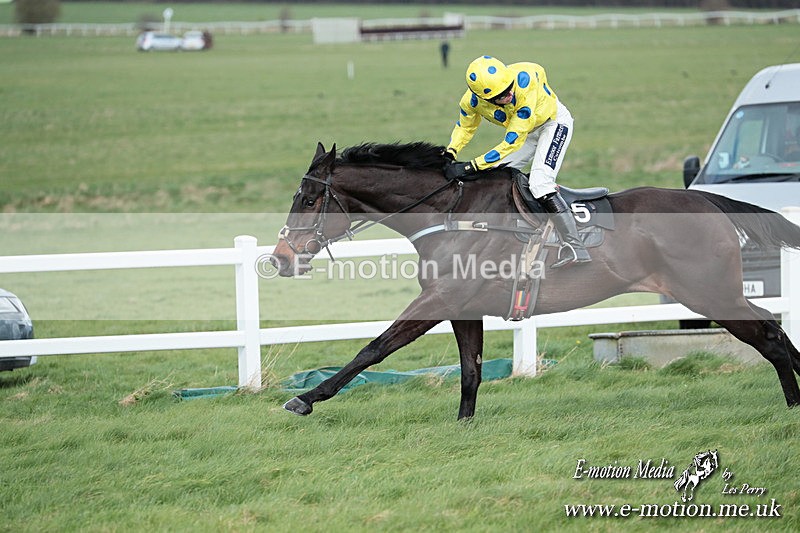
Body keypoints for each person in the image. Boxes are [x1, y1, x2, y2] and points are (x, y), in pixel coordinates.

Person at [443, 55, 590, 268]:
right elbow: (465, 127)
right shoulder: (470, 102)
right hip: (526, 132)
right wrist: (450, 152)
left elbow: (511, 143)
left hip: (553, 124)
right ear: (485, 99)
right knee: (491, 177)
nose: (509, 94)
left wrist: (470, 166)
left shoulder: (524, 85)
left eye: (509, 88)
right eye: (501, 95)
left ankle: (575, 246)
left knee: (540, 183)